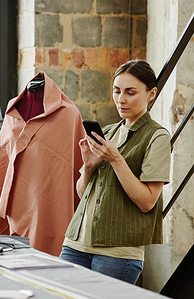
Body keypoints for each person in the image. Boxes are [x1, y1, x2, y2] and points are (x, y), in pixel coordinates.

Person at [60, 60, 171, 284]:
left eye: (130, 93)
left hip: (117, 253)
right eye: (117, 91)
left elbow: (147, 202)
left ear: (151, 94)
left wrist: (116, 159)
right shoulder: (108, 132)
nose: (121, 99)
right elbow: (83, 194)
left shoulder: (157, 136)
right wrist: (89, 167)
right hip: (75, 243)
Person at [0, 72, 85, 257]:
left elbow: (71, 166)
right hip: (12, 203)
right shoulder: (12, 111)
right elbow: (2, 160)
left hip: (47, 204)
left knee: (43, 265)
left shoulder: (69, 114)